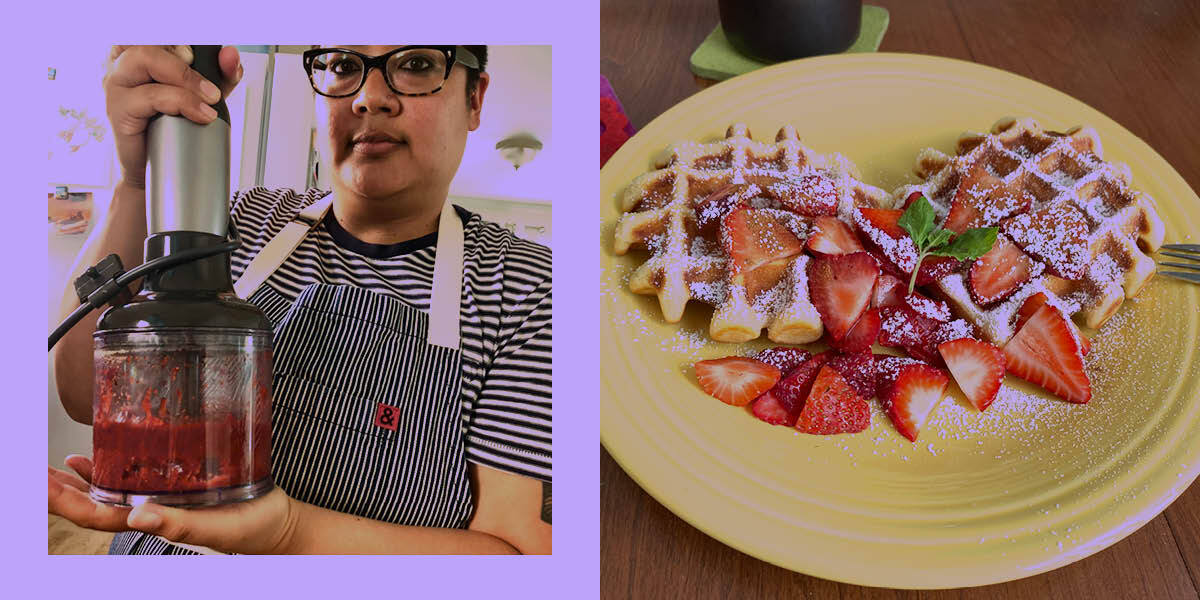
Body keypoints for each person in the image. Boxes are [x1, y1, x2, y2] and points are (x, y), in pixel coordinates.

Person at [48, 44, 552, 554]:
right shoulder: (236, 221)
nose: (369, 98)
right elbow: (83, 396)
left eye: (417, 64)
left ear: (474, 99)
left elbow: (511, 550)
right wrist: (135, 183)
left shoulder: (525, 285)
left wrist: (290, 533)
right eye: (342, 66)